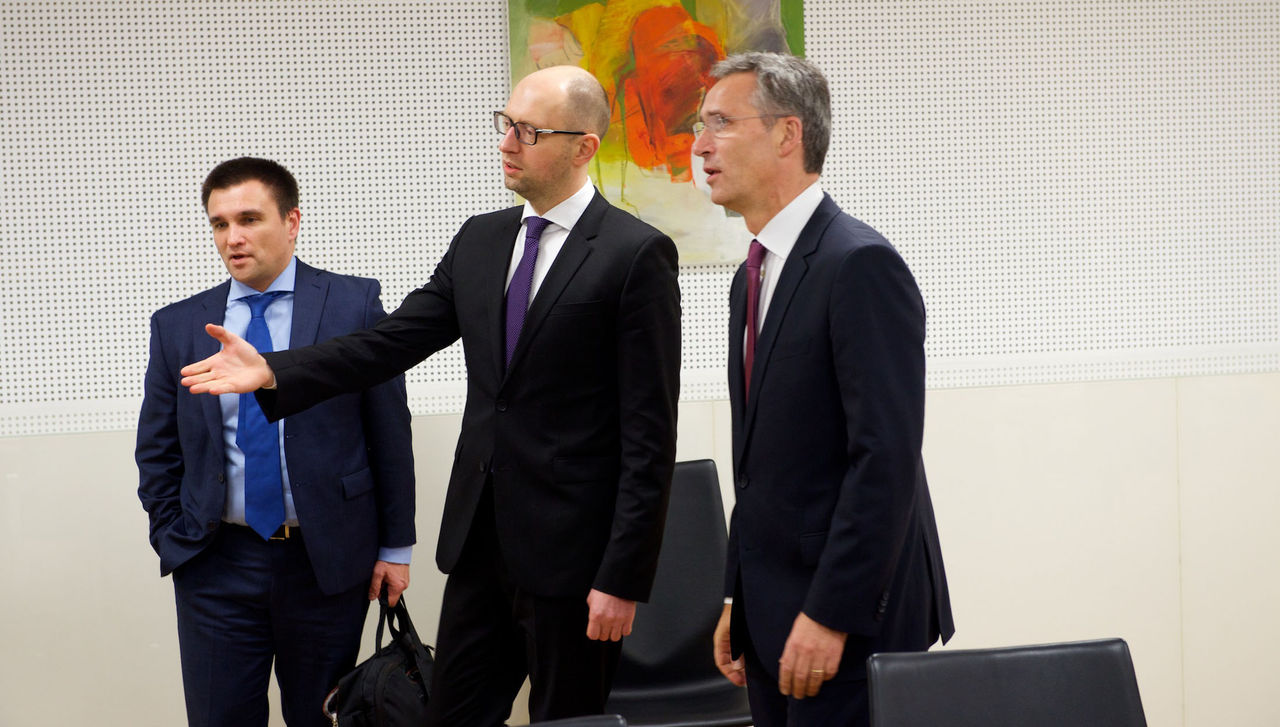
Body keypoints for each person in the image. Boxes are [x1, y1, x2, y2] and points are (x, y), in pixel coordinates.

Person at [178, 66, 681, 725]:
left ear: (583, 145)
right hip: (479, 547)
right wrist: (274, 371)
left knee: (566, 720)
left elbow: (650, 437)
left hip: (575, 560)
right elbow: (387, 343)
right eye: (505, 124)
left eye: (527, 131)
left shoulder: (634, 253)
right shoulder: (481, 238)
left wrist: (622, 576)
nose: (506, 142)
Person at [693, 53, 955, 726]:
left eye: (720, 122)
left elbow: (885, 460)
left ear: (786, 135)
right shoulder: (750, 276)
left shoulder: (859, 264)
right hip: (775, 607)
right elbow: (758, 465)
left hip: (846, 619)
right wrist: (736, 597)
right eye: (700, 124)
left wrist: (831, 615)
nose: (699, 145)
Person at [135, 157, 416, 727]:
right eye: (218, 224)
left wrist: (396, 548)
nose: (232, 238)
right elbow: (158, 449)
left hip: (327, 564)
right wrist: (174, 538)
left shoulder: (352, 305)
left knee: (319, 718)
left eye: (248, 219)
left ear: (291, 221)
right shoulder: (179, 326)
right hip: (216, 564)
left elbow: (389, 433)